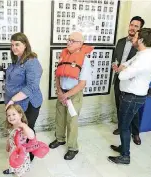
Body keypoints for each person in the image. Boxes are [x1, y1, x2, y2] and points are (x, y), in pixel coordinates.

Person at [108, 28, 151, 165]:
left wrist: (123, 70)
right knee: (126, 125)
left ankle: (125, 156)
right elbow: (125, 64)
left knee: (124, 126)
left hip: (132, 97)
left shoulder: (144, 59)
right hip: (131, 95)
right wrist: (124, 68)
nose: (132, 39)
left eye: (135, 37)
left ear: (141, 40)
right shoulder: (142, 54)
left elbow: (122, 75)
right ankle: (123, 147)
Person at [49, 32, 94, 160]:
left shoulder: (85, 60)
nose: (68, 42)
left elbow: (82, 84)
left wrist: (66, 95)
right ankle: (60, 139)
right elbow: (57, 74)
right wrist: (58, 91)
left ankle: (73, 148)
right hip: (62, 92)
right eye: (68, 40)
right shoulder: (64, 55)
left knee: (72, 122)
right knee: (60, 117)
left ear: (80, 44)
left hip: (74, 95)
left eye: (72, 40)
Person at [5, 32, 43, 162]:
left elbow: (32, 87)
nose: (14, 47)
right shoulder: (17, 61)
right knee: (18, 131)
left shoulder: (31, 62)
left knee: (27, 130)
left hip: (30, 104)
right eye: (12, 45)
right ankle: (19, 155)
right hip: (17, 104)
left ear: (25, 45)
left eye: (17, 44)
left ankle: (28, 158)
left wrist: (13, 99)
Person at [112, 16, 145, 146]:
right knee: (119, 105)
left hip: (131, 82)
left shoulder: (140, 46)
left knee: (133, 110)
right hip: (118, 78)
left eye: (136, 26)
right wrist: (114, 65)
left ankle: (135, 133)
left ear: (140, 30)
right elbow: (116, 58)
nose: (133, 28)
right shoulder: (120, 42)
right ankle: (122, 127)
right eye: (132, 25)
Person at [3, 104, 35, 176]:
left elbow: (31, 136)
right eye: (9, 115)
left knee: (19, 168)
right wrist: (8, 144)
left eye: (14, 114)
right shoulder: (11, 126)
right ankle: (12, 169)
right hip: (12, 150)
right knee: (12, 162)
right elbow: (10, 136)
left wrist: (25, 126)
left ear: (20, 115)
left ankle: (18, 174)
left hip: (20, 153)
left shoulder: (23, 128)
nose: (11, 117)